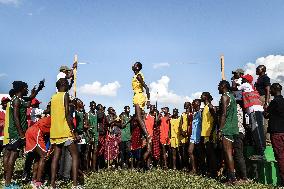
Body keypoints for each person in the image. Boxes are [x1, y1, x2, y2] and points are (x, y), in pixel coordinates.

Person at [4, 80, 44, 188]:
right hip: (16, 133)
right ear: (21, 88)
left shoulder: (20, 99)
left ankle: (8, 182)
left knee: (14, 155)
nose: (27, 89)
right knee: (13, 156)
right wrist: (21, 134)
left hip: (18, 133)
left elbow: (31, 98)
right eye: (26, 88)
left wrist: (39, 89)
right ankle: (7, 184)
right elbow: (16, 118)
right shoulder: (16, 101)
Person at [50, 78, 81, 189]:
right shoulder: (65, 95)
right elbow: (67, 115)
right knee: (75, 155)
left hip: (55, 131)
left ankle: (52, 184)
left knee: (56, 157)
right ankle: (75, 184)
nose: (68, 85)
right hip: (65, 130)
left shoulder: (53, 97)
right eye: (67, 83)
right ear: (63, 84)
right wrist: (74, 131)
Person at [238, 74, 265, 160]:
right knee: (260, 130)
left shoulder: (246, 85)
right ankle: (261, 150)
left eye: (243, 79)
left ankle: (260, 153)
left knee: (255, 130)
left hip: (254, 110)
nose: (242, 80)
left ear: (246, 80)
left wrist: (235, 82)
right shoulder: (252, 87)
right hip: (258, 110)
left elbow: (235, 89)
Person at [218, 80, 239, 183]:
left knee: (228, 153)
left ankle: (232, 179)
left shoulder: (225, 97)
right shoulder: (232, 96)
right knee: (228, 153)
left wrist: (220, 129)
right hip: (233, 127)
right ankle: (229, 176)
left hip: (227, 128)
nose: (217, 87)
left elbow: (223, 114)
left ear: (223, 86)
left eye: (219, 86)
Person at [25, 108, 51, 188]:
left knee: (37, 157)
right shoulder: (53, 119)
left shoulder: (47, 118)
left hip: (30, 131)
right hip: (36, 132)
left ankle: (33, 180)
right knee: (43, 157)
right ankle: (38, 182)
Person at [264, 83, 284, 186]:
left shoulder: (274, 102)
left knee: (280, 157)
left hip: (277, 133)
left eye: (270, 90)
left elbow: (266, 115)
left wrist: (265, 107)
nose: (269, 92)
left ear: (273, 90)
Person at [131, 62, 152, 164]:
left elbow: (146, 88)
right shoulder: (136, 75)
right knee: (140, 118)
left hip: (139, 96)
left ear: (138, 67)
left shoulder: (139, 75)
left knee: (138, 117)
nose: (133, 65)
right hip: (138, 95)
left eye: (135, 64)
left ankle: (147, 135)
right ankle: (145, 135)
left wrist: (148, 100)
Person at [200, 92, 217, 177]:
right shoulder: (205, 108)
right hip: (205, 134)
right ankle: (210, 171)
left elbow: (215, 119)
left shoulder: (210, 106)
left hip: (209, 133)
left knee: (211, 154)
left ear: (206, 97)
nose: (201, 97)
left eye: (202, 95)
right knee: (208, 154)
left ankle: (214, 173)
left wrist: (211, 132)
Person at [255, 65, 271, 143]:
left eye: (258, 69)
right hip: (259, 98)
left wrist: (266, 102)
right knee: (260, 120)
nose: (256, 70)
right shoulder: (259, 78)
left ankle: (267, 140)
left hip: (263, 98)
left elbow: (268, 90)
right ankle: (263, 139)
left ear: (263, 70)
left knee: (265, 120)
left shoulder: (265, 78)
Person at [233, 101, 247, 181]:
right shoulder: (238, 106)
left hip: (237, 132)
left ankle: (244, 177)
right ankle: (239, 176)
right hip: (240, 132)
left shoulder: (234, 106)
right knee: (237, 155)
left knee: (238, 155)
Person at [188, 99, 202, 174]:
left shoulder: (201, 113)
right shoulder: (195, 114)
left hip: (199, 136)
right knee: (190, 151)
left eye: (194, 102)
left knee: (199, 154)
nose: (193, 103)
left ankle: (200, 169)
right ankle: (194, 169)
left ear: (198, 103)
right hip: (193, 136)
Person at [179, 102, 193, 170]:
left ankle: (190, 166)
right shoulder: (182, 114)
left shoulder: (191, 114)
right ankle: (185, 166)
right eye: (184, 104)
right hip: (183, 135)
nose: (185, 105)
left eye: (186, 104)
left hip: (190, 135)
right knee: (183, 151)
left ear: (189, 106)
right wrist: (182, 131)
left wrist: (188, 132)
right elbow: (180, 123)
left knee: (189, 151)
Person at [86, 101, 99, 172]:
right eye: (92, 106)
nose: (93, 107)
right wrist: (89, 136)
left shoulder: (96, 114)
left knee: (95, 151)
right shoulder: (87, 114)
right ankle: (87, 168)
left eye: (94, 106)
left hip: (96, 134)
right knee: (88, 151)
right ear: (90, 106)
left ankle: (93, 168)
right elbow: (86, 126)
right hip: (89, 135)